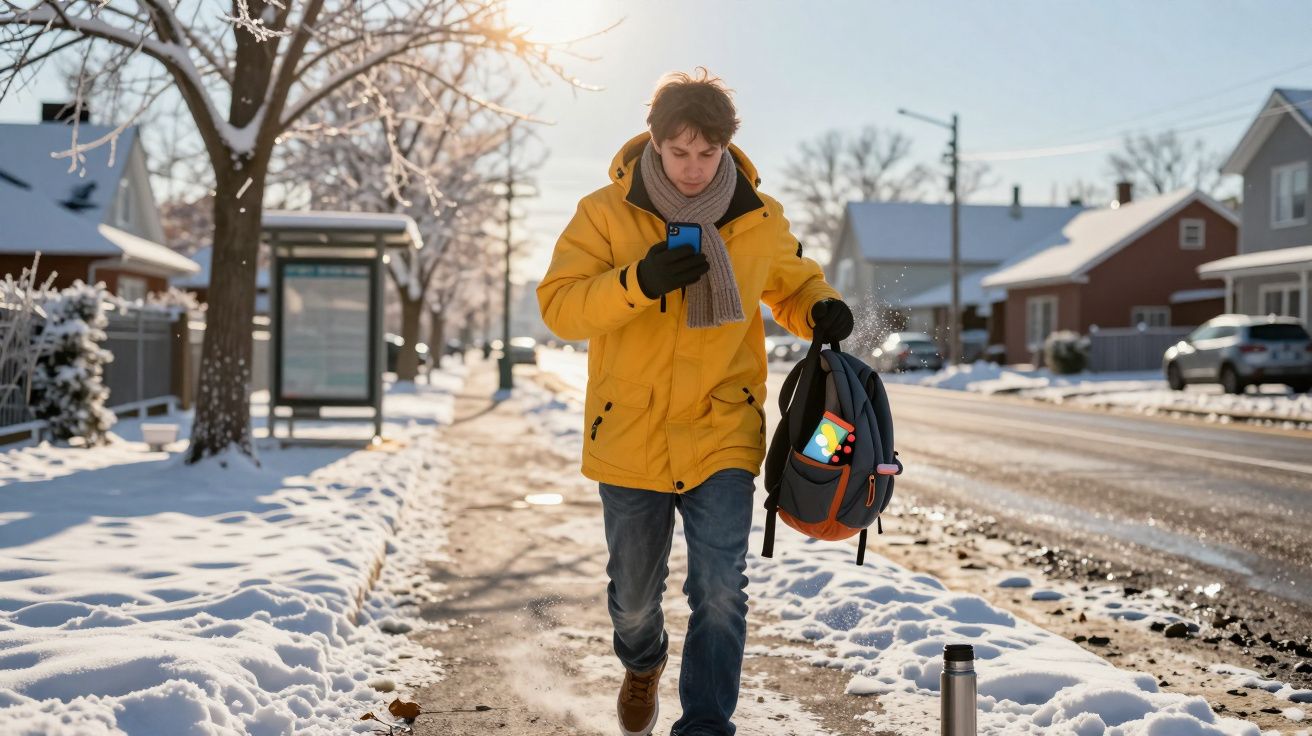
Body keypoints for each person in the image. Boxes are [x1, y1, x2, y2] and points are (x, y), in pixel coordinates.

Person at [536, 68, 854, 736]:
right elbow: (560, 307)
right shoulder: (605, 212)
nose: (692, 167)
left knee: (720, 589)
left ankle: (706, 725)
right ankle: (643, 660)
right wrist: (639, 280)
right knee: (632, 600)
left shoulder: (757, 217)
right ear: (654, 142)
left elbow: (795, 286)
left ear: (725, 147)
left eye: (707, 153)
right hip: (630, 433)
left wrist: (821, 308)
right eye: (679, 152)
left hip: (721, 428)